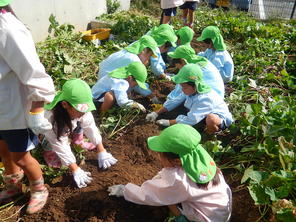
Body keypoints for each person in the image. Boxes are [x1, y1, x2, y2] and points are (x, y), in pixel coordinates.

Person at [108, 124, 232, 222]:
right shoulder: (198, 156)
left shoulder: (177, 180)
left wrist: (124, 190)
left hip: (207, 219)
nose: (159, 157)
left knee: (166, 198)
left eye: (161, 155)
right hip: (220, 212)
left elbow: (149, 195)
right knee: (170, 197)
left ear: (177, 161)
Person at [0, 0, 55, 214]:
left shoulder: (6, 27)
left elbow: (34, 72)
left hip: (13, 109)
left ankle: (39, 188)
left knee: (20, 156)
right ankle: (13, 187)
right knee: (4, 151)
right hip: (2, 110)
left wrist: (37, 110)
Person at [43, 79, 117, 188]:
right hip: (47, 131)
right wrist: (75, 169)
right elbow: (59, 143)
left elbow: (90, 125)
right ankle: (48, 153)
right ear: (65, 104)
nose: (83, 112)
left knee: (80, 121)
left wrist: (101, 149)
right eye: (80, 110)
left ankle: (78, 141)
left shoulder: (80, 111)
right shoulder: (51, 118)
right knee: (50, 140)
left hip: (70, 121)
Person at [145, 64, 233, 134]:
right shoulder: (190, 90)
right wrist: (156, 113)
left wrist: (168, 122)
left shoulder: (205, 99)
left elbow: (191, 119)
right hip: (200, 114)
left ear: (195, 85)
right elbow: (175, 101)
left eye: (184, 87)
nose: (182, 90)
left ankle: (209, 133)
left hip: (219, 119)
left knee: (211, 119)